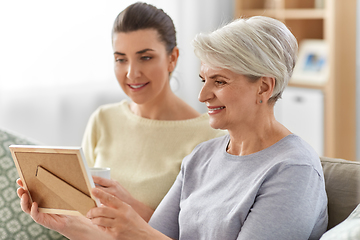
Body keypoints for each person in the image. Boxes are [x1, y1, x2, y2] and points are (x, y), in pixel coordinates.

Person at [17, 15, 328, 240]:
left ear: (263, 87)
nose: (203, 95)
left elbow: (145, 236)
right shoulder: (202, 157)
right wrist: (64, 224)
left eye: (219, 82)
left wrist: (137, 231)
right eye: (203, 80)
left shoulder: (293, 169)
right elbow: (156, 236)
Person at [80, 2, 225, 222]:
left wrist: (128, 204)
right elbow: (83, 210)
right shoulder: (103, 120)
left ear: (172, 58)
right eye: (121, 59)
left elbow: (195, 233)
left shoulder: (209, 136)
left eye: (145, 57)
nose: (131, 73)